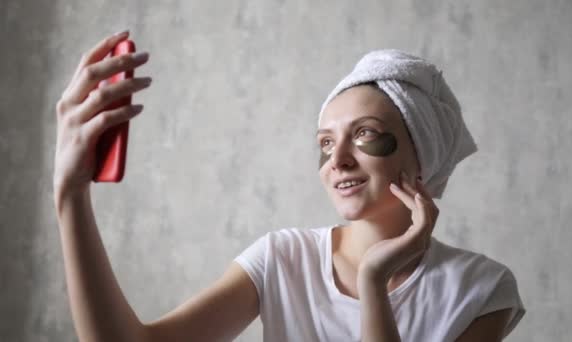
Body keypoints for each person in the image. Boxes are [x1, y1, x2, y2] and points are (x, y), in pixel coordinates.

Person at [53, 30, 525, 342]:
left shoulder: (481, 289)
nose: (336, 160)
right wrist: (70, 195)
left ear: (422, 154)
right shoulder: (282, 260)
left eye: (363, 134)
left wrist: (374, 283)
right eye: (325, 141)